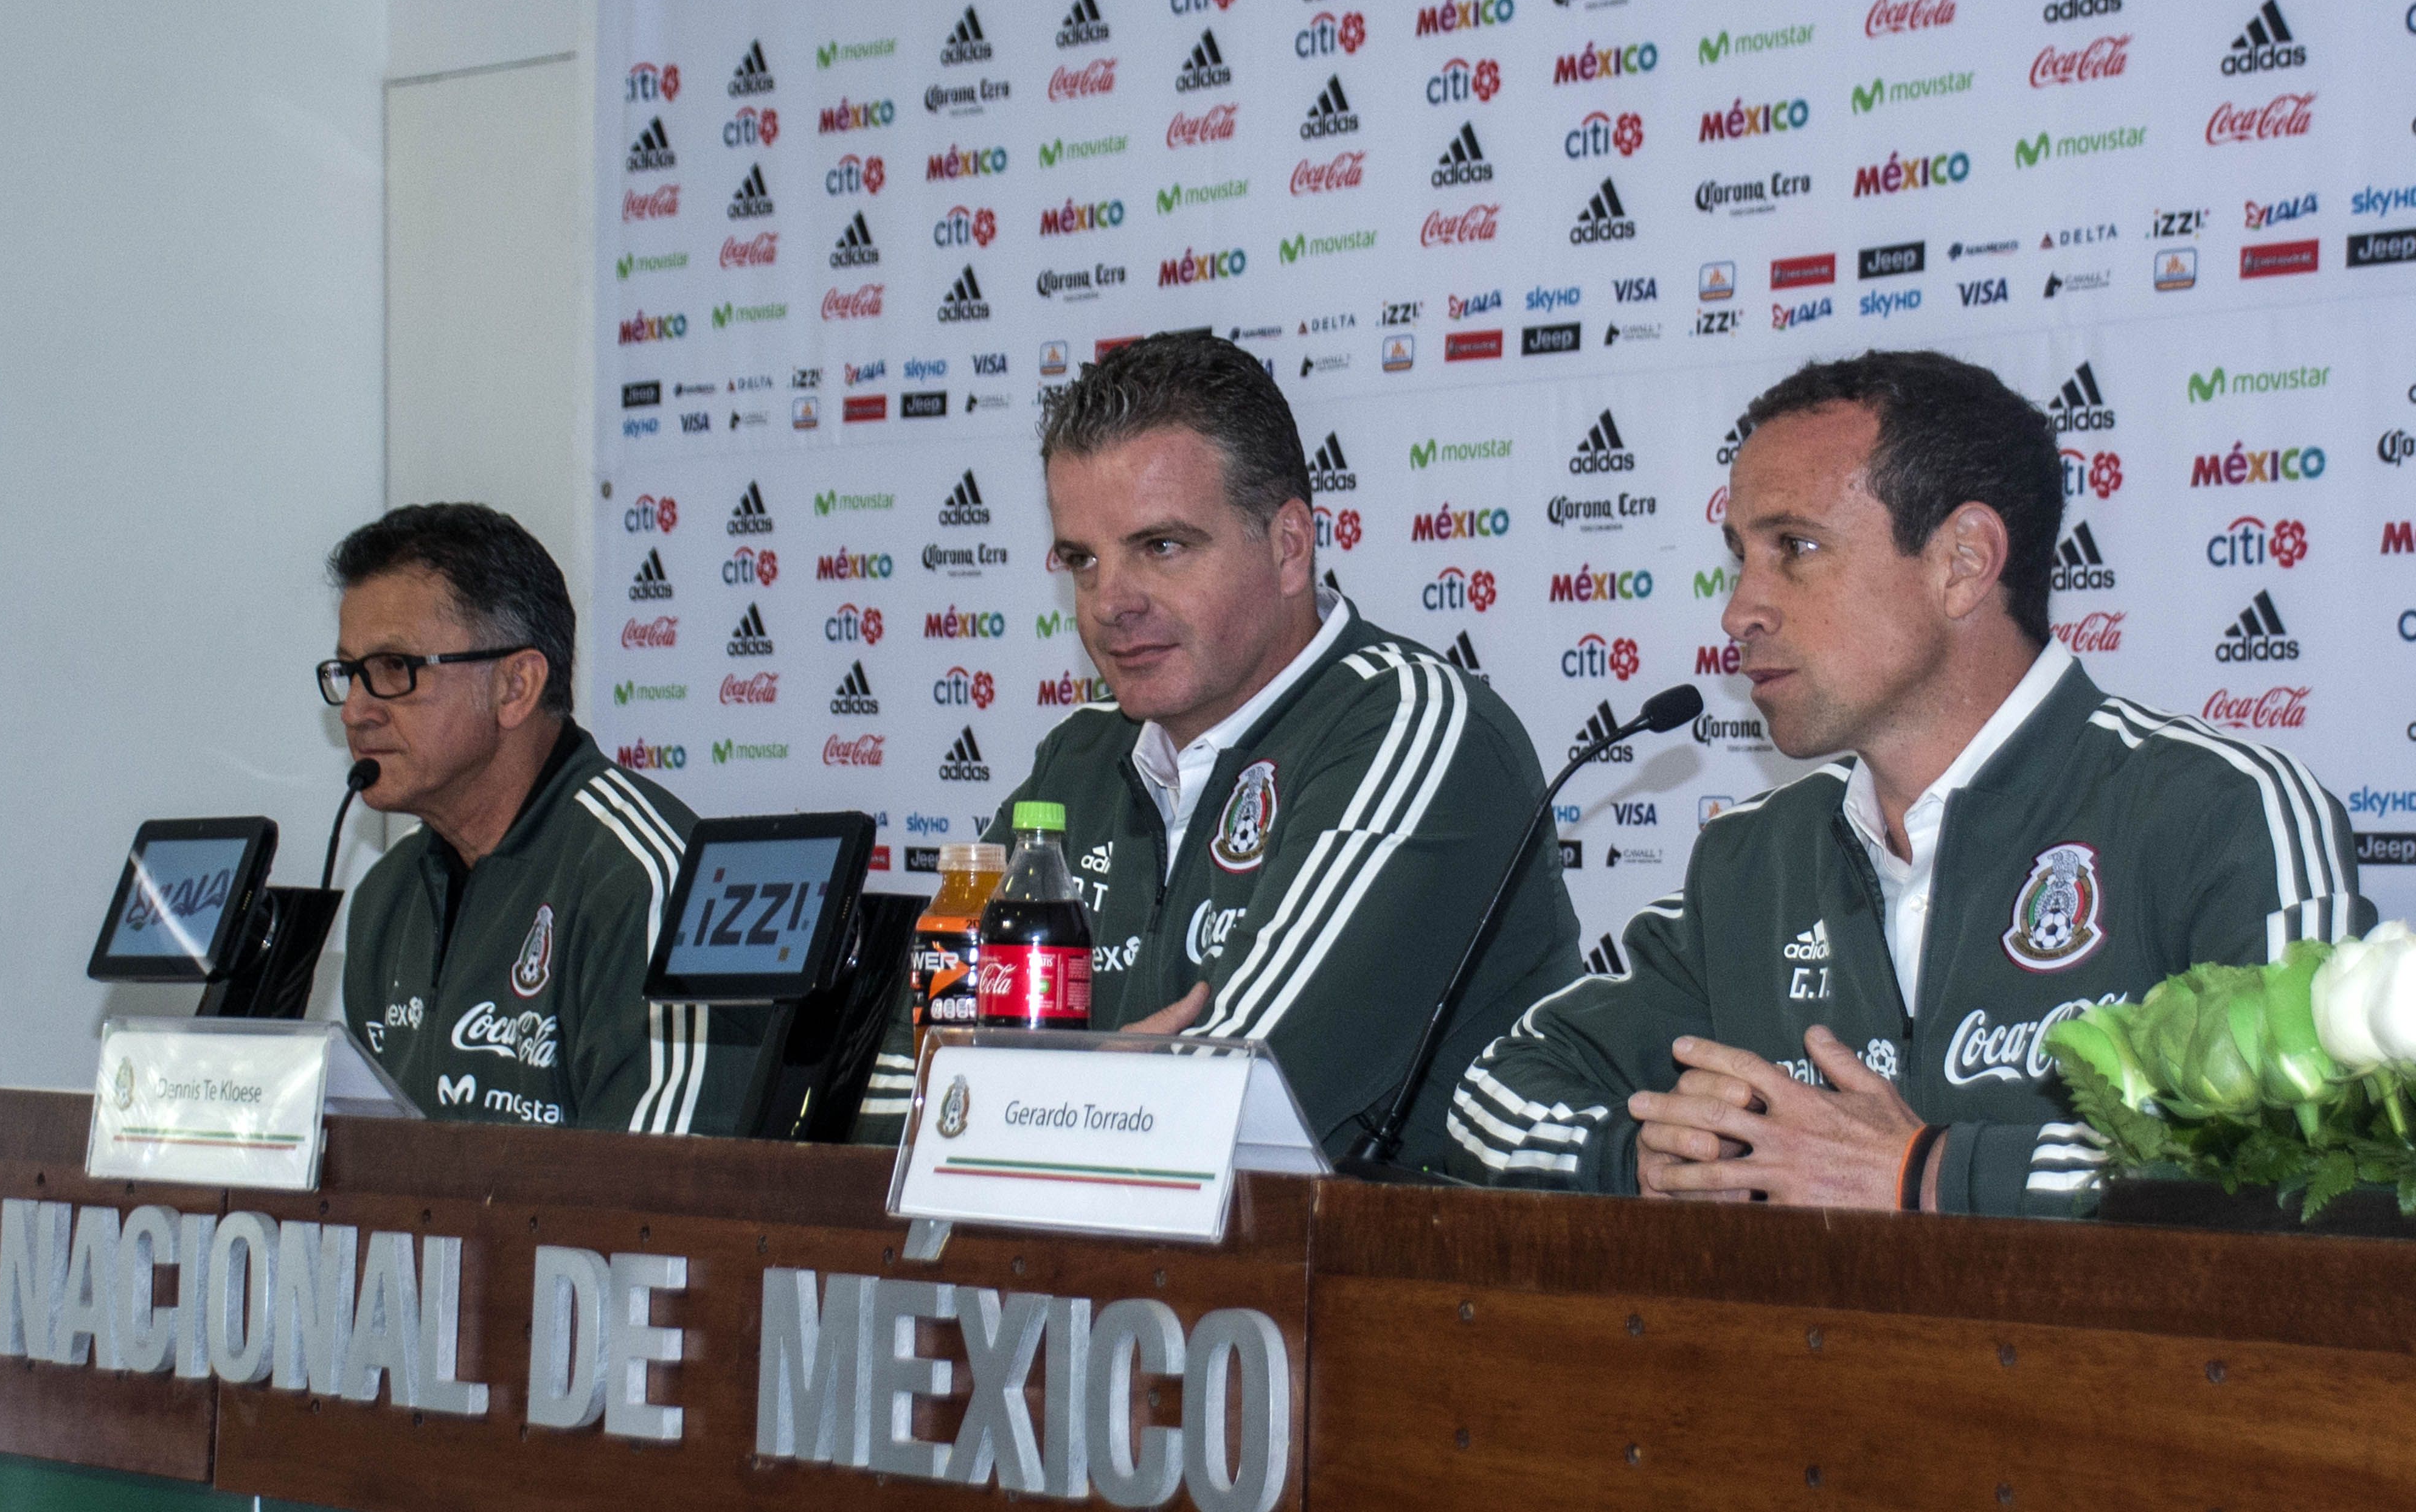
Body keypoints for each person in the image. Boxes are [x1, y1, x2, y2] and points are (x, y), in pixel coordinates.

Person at [1448, 350, 2372, 1215]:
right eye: (1741, 556)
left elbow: (2317, 1163)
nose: (1740, 609)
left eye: (1796, 548)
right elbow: (1491, 1094)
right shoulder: (1752, 861)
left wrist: (1923, 1170)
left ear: (1963, 562)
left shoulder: (2219, 813)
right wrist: (1641, 1156)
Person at [858, 331, 1585, 1167]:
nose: (1111, 602)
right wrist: (1096, 1083)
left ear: (1288, 547)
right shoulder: (1078, 758)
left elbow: (1234, 1104)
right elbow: (890, 1099)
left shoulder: (1417, 726)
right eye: (1084, 561)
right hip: (1126, 1288)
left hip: (1398, 1284)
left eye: (1161, 547)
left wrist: (1016, 1090)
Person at [327, 502, 760, 1132]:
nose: (356, 710)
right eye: (349, 673)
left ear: (515, 687)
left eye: (394, 669)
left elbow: (658, 1199)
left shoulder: (651, 881)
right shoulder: (386, 896)